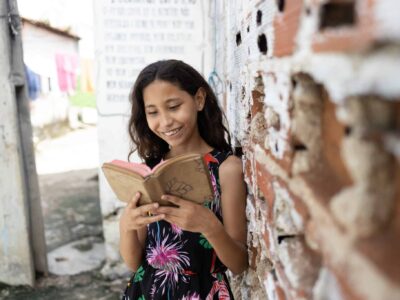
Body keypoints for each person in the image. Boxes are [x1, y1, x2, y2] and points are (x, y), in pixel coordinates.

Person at [120, 59, 248, 300]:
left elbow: (239, 264)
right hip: (147, 290)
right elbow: (133, 261)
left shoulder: (226, 169)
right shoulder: (147, 172)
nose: (166, 121)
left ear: (199, 99)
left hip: (203, 292)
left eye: (174, 106)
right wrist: (127, 226)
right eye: (153, 112)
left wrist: (209, 226)